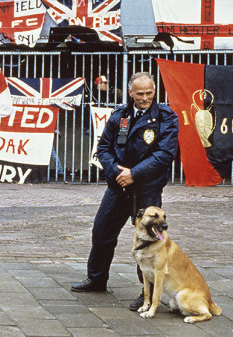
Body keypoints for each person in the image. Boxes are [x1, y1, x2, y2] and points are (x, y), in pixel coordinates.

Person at [71, 73, 179, 313]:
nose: (145, 98)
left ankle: (147, 293)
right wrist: (115, 171)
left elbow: (164, 155)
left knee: (150, 241)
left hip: (147, 189)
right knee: (102, 230)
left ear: (154, 90)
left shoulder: (166, 117)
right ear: (130, 92)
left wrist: (134, 173)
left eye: (149, 92)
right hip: (119, 186)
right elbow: (104, 147)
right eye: (139, 94)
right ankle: (97, 279)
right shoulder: (120, 115)